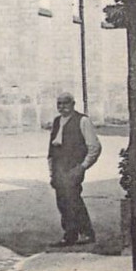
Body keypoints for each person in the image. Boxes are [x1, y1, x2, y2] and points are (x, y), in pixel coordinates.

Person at [48, 91, 102, 246]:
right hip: (59, 166)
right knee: (62, 201)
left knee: (73, 199)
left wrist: (83, 166)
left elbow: (94, 147)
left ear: (73, 104)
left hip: (73, 166)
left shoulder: (83, 121)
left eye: (65, 103)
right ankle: (70, 234)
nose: (62, 107)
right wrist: (52, 172)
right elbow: (52, 149)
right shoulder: (57, 121)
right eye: (59, 103)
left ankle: (87, 233)